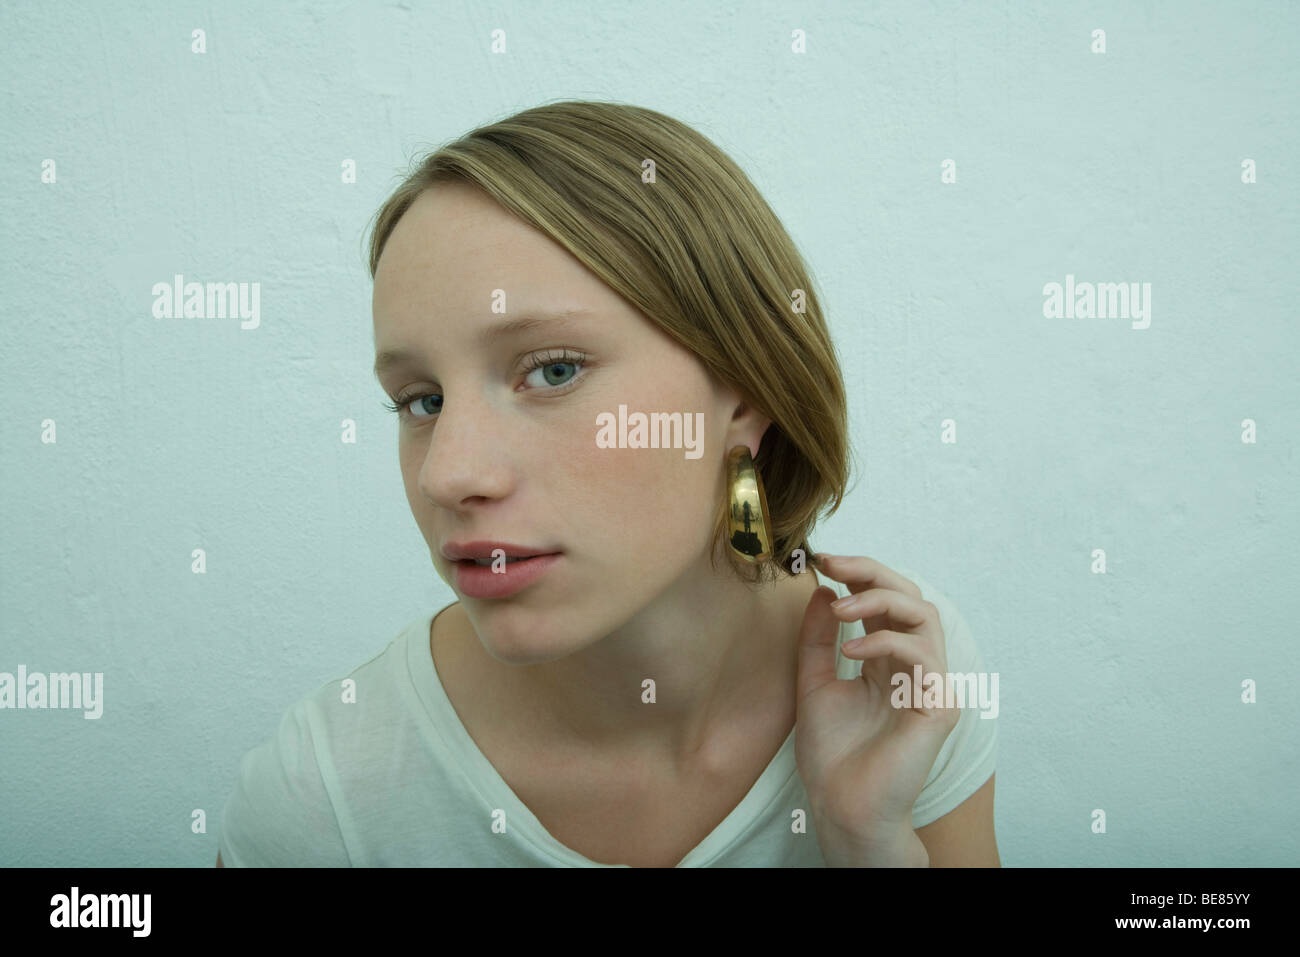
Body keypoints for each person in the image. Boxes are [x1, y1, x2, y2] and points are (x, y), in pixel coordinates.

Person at [217, 100, 999, 867]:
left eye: (553, 370)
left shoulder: (895, 673)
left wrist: (868, 845)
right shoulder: (325, 799)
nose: (447, 473)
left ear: (746, 393)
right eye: (422, 400)